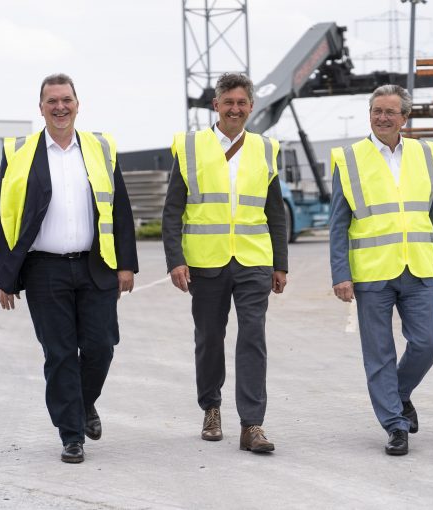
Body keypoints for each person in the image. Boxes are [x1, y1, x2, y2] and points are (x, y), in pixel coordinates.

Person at [0, 73, 138, 463]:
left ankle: (84, 403)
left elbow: (119, 208)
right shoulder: (19, 152)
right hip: (44, 271)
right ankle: (71, 434)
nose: (60, 107)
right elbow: (5, 217)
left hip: (96, 266)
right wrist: (5, 277)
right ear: (40, 107)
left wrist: (126, 263)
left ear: (78, 103)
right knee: (59, 354)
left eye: (66, 100)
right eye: (51, 101)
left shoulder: (100, 148)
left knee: (100, 347)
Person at [162, 73, 288, 454]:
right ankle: (211, 409)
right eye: (228, 102)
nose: (235, 109)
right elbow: (173, 210)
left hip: (253, 260)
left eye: (242, 103)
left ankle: (252, 424)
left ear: (251, 107)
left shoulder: (267, 149)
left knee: (253, 337)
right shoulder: (189, 147)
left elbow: (275, 212)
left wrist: (280, 263)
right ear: (215, 105)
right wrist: (175, 260)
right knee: (209, 339)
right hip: (205, 261)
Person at [329, 84, 433, 456]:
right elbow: (338, 223)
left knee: (427, 343)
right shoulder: (348, 159)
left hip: (418, 267)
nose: (382, 117)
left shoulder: (425, 154)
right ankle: (395, 425)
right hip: (371, 273)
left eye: (390, 112)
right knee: (379, 353)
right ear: (370, 114)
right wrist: (340, 272)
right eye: (376, 111)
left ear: (404, 117)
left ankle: (397, 393)